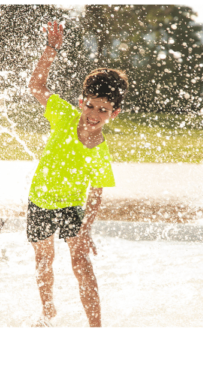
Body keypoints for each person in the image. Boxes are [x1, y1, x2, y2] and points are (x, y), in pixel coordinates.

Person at [26, 21, 128, 327]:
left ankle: (95, 327)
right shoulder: (63, 115)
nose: (95, 115)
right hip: (40, 200)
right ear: (82, 103)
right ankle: (48, 312)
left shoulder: (100, 149)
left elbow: (96, 193)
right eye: (92, 107)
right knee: (44, 260)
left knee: (81, 264)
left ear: (114, 113)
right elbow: (36, 87)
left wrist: (86, 228)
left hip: (72, 206)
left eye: (103, 110)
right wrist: (50, 51)